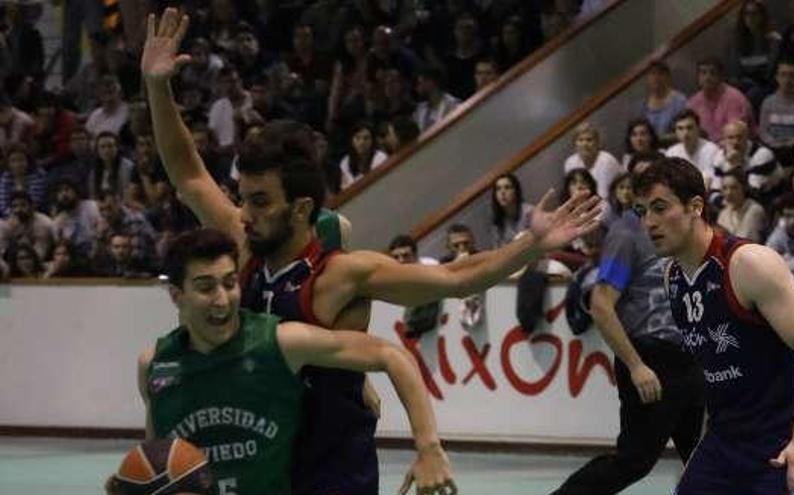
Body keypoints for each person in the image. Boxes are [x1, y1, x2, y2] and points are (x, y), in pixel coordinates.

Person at [141, 9, 603, 495]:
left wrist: (532, 244)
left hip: (334, 467)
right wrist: (156, 87)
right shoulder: (247, 242)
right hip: (268, 460)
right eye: (243, 197)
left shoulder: (343, 274)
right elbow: (189, 176)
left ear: (299, 209)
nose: (244, 212)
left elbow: (458, 277)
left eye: (259, 201)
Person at [138, 228, 456, 495]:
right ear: (176, 295)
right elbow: (158, 459)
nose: (222, 299)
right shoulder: (155, 364)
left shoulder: (279, 342)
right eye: (206, 287)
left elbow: (391, 355)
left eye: (230, 282)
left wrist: (429, 447)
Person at [632, 157, 794, 495]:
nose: (649, 222)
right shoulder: (673, 277)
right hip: (723, 444)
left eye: (659, 207)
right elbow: (714, 366)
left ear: (695, 206)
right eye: (641, 211)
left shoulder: (748, 263)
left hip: (779, 444)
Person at [551, 158, 704, 495]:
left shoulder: (684, 231)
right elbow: (601, 304)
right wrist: (637, 367)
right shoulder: (626, 233)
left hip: (690, 358)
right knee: (634, 460)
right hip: (651, 357)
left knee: (705, 457)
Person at [687, 57, 753, 142]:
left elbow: (736, 136)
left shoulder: (735, 98)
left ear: (721, 76)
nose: (707, 77)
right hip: (705, 148)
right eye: (703, 73)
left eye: (713, 73)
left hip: (737, 146)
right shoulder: (693, 102)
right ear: (697, 77)